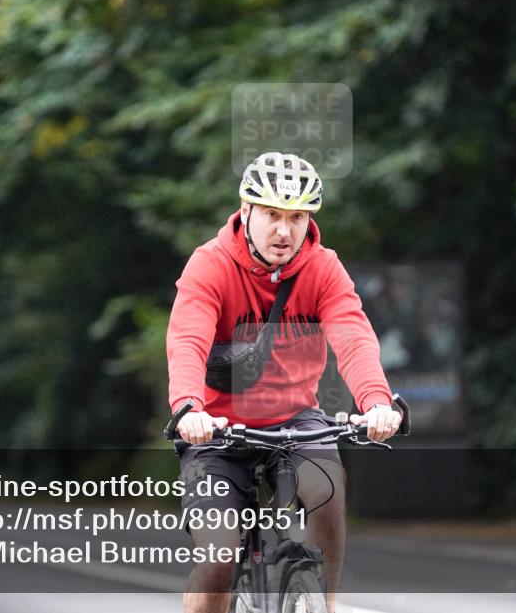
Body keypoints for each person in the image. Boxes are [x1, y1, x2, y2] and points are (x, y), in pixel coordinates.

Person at [167, 152, 403, 613]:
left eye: (297, 217)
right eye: (272, 214)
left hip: (297, 422)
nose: (284, 230)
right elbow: (187, 341)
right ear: (246, 210)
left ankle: (323, 604)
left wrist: (376, 401)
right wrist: (189, 408)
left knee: (327, 493)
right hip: (216, 432)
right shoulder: (210, 265)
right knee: (218, 560)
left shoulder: (323, 268)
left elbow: (353, 336)